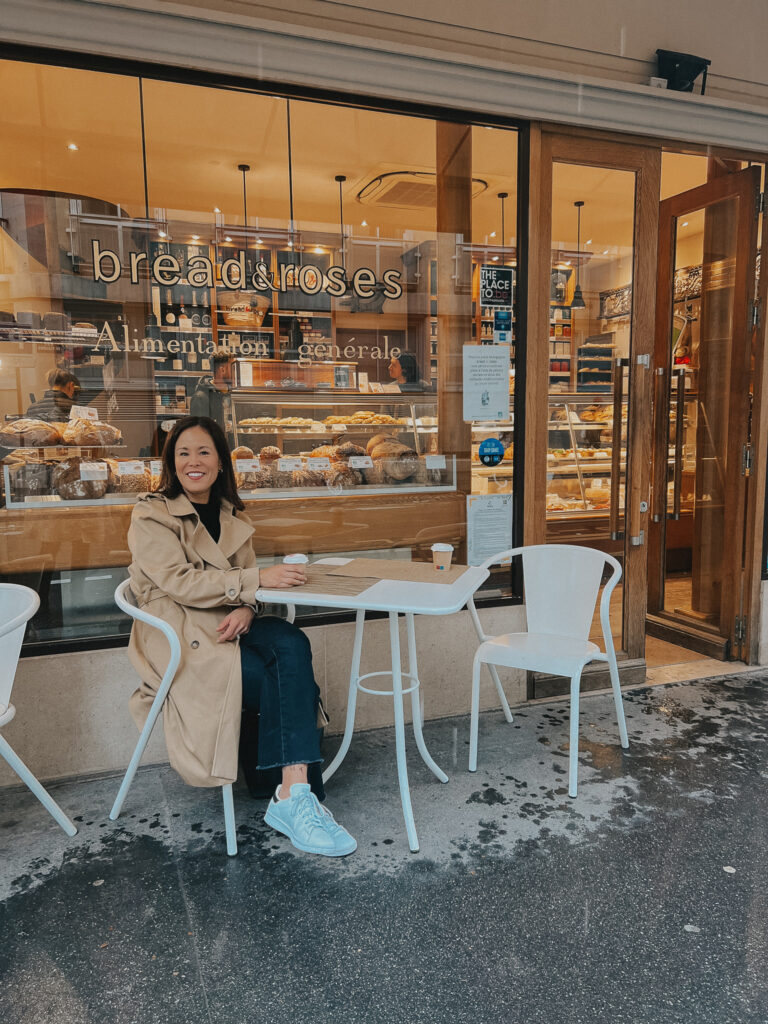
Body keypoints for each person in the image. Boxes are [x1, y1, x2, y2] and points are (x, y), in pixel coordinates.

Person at [126, 415, 356, 857]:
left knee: (292, 643)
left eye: (204, 452)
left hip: (226, 620)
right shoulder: (150, 512)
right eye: (183, 453)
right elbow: (179, 582)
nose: (194, 461)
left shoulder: (230, 512)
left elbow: (243, 586)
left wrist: (248, 607)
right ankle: (291, 793)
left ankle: (291, 793)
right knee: (274, 674)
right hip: (180, 634)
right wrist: (251, 583)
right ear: (171, 463)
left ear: (220, 462)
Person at [190, 351, 235, 444]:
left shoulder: (234, 394)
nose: (236, 372)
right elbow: (199, 435)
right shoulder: (201, 397)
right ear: (222, 370)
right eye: (233, 368)